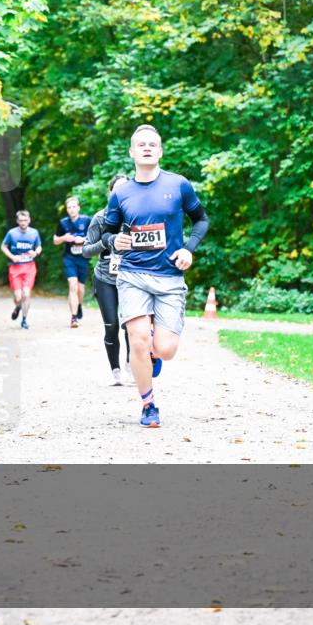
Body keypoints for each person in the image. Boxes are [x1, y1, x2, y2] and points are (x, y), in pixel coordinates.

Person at [99, 125, 210, 428]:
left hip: (170, 277)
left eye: (153, 144)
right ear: (132, 152)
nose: (147, 148)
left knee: (165, 349)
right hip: (133, 274)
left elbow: (200, 220)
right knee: (136, 340)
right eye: (141, 144)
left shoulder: (179, 185)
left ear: (160, 151)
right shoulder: (121, 193)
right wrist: (113, 242)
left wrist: (189, 249)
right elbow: (107, 232)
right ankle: (148, 404)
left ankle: (152, 353)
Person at [83, 174, 132, 386]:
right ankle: (116, 371)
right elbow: (85, 250)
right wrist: (105, 243)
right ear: (110, 193)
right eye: (117, 190)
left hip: (131, 278)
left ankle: (132, 367)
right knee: (112, 325)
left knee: (132, 325)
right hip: (105, 278)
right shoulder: (100, 218)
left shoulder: (136, 216)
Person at [53, 196, 93, 328]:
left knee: (81, 289)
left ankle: (79, 305)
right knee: (72, 285)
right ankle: (74, 318)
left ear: (78, 207)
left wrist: (83, 239)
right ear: (67, 209)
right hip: (69, 258)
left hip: (83, 258)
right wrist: (64, 238)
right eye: (69, 207)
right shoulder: (63, 223)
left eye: (74, 206)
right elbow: (55, 240)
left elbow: (95, 236)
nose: (71, 209)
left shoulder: (87, 220)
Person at [1, 210, 42, 330]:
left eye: (25, 220)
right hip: (15, 268)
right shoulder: (12, 233)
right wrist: (12, 256)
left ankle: (24, 320)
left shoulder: (34, 233)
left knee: (26, 293)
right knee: (18, 296)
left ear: (29, 220)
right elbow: (3, 246)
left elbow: (39, 246)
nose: (23, 223)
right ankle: (18, 306)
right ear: (17, 221)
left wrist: (36, 252)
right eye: (21, 220)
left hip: (29, 267)